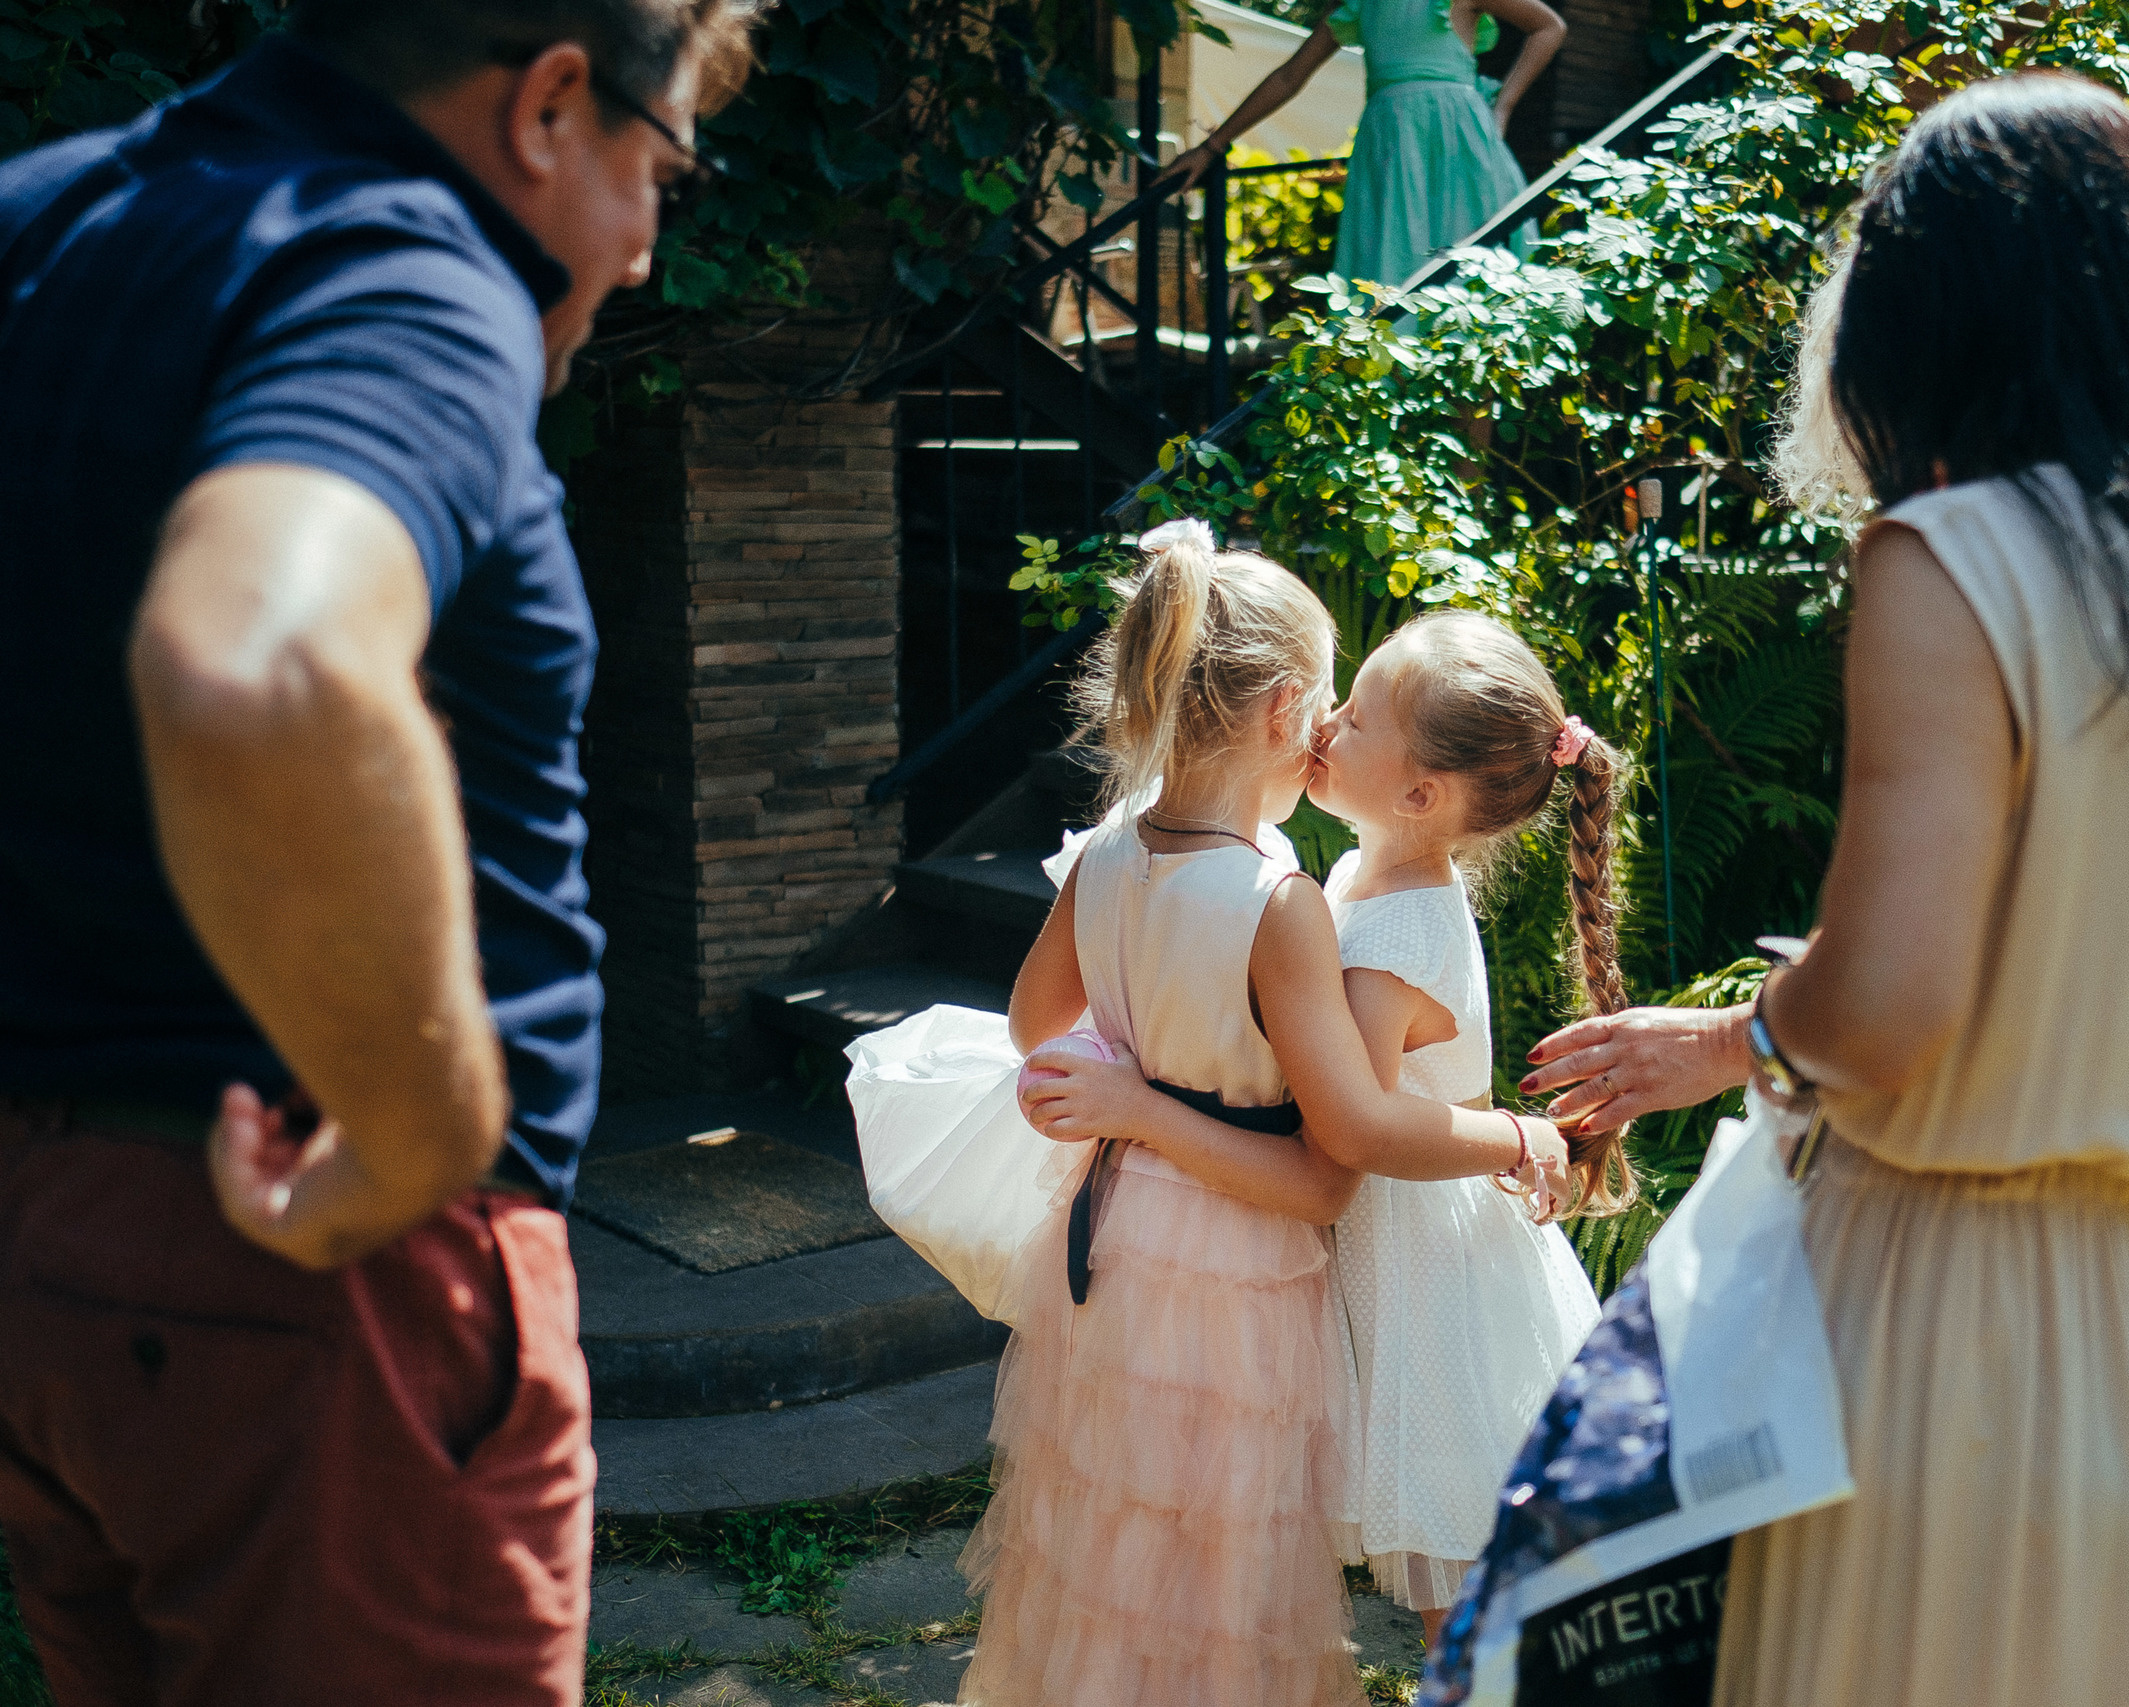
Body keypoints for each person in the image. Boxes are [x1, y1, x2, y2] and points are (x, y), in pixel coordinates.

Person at [1522, 71, 2129, 1707]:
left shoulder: (1947, 561)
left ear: (1925, 323)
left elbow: (1887, 1010)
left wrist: (1764, 1024)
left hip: (1959, 1311)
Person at [0, 3, 757, 1703]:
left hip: (48, 1268)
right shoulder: (401, 267)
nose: (642, 253)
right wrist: (425, 1121)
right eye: (665, 171)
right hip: (314, 1284)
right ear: (555, 102)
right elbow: (261, 664)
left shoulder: (45, 217)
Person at [945, 522, 1573, 1707]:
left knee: (1119, 1527)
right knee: (1224, 1561)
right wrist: (1146, 1090)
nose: (1335, 728)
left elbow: (1036, 1027)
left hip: (1117, 1239)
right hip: (1233, 1259)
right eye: (1331, 703)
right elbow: (1329, 1170)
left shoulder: (1110, 852)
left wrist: (1118, 1083)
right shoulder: (1283, 897)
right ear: (1285, 711)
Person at [1163, 0, 1563, 291]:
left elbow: (1549, 27)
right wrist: (1212, 146)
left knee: (1467, 284)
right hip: (1390, 150)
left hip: (1457, 148)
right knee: (1392, 274)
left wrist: (1503, 108)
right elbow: (1288, 77)